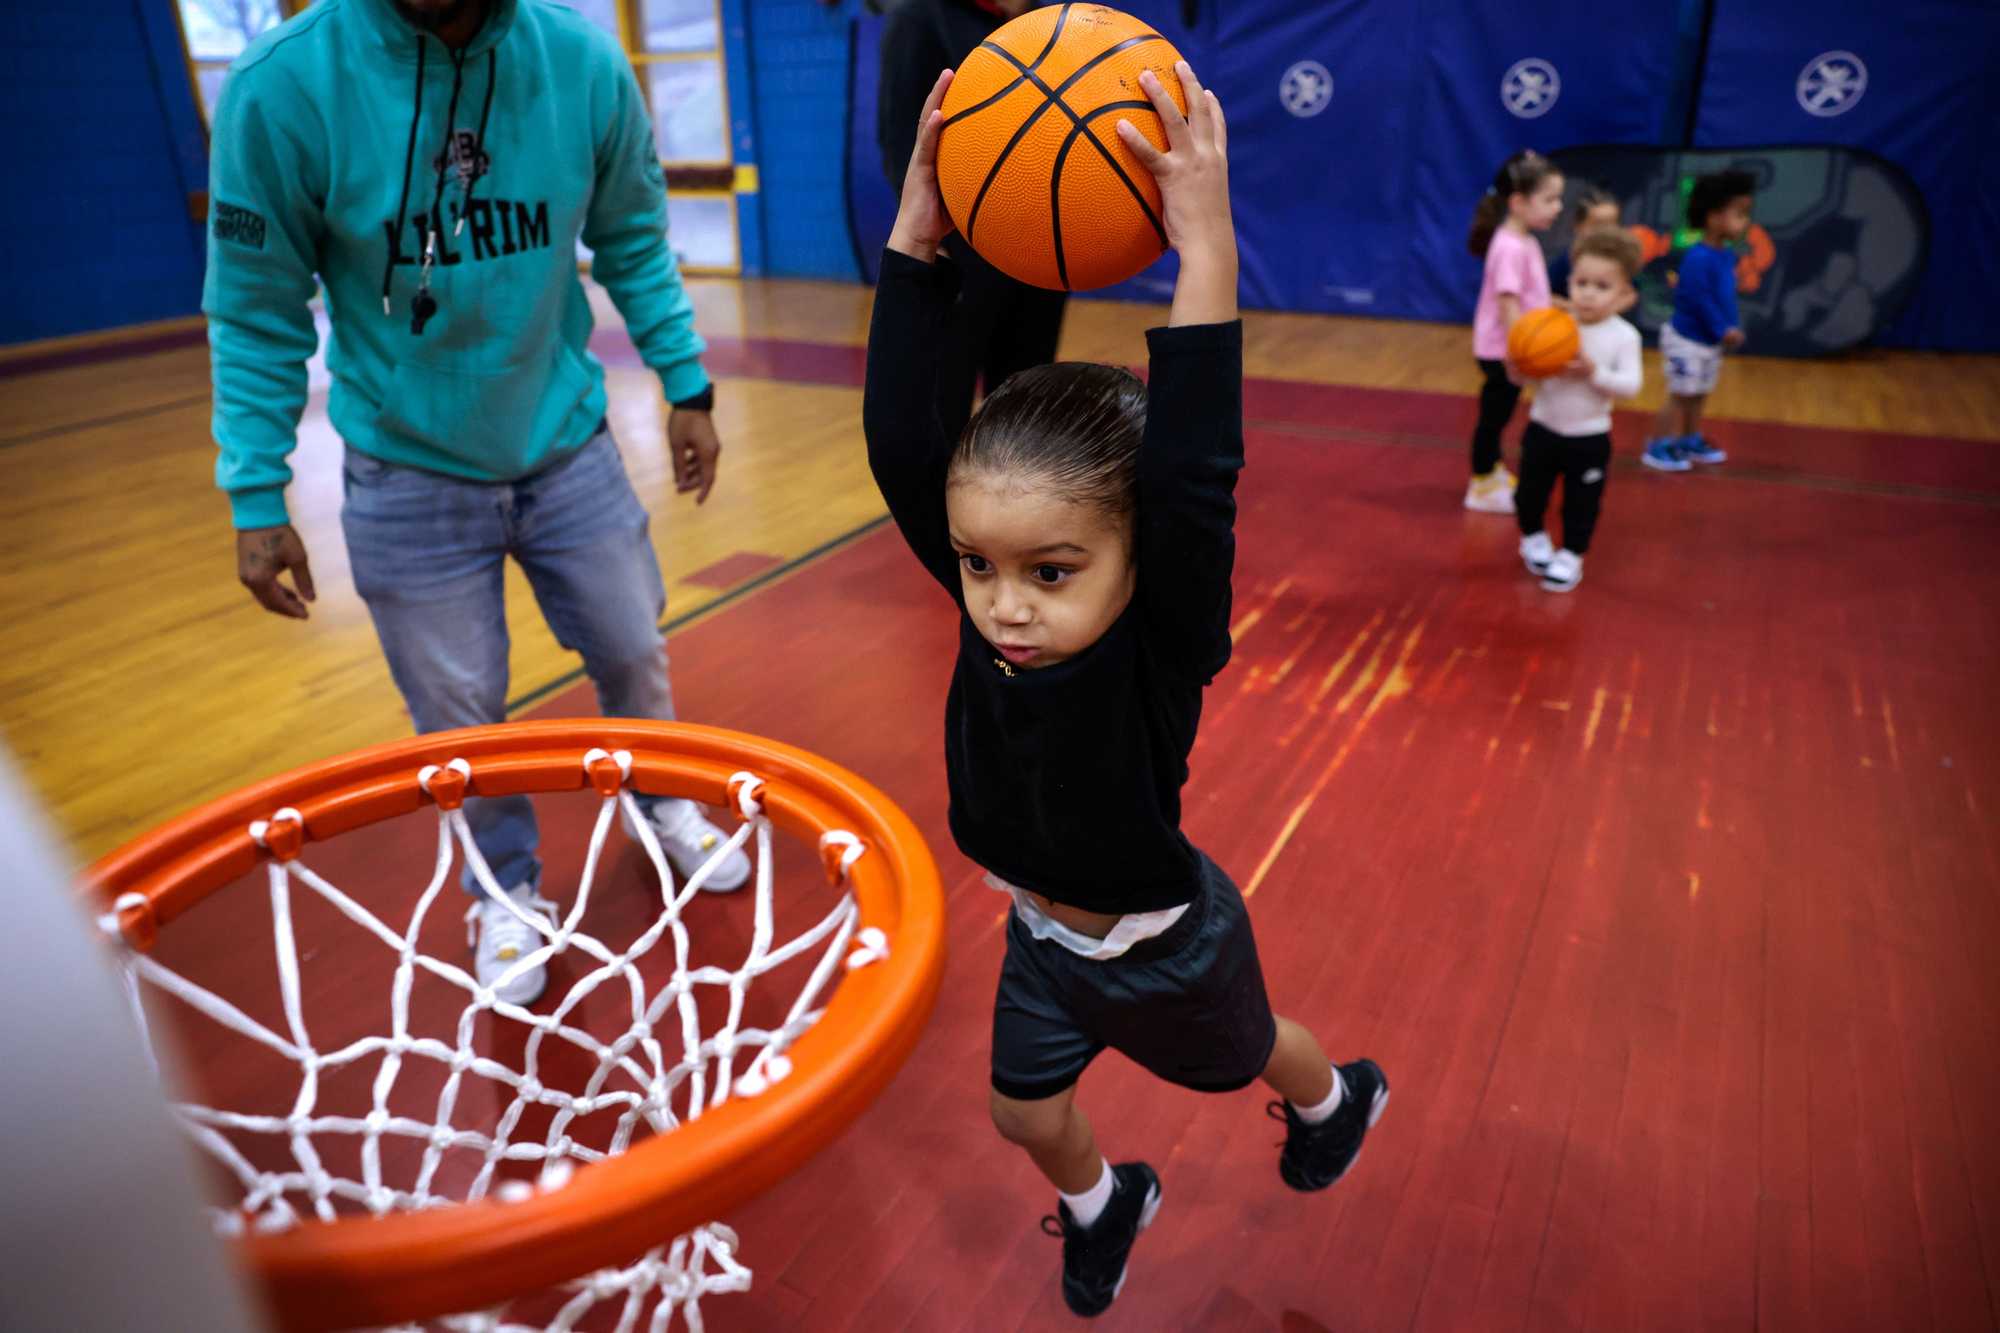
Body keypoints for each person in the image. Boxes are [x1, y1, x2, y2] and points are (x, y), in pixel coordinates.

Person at [865, 63, 1388, 1318]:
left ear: (1134, 558)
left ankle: (1336, 1097)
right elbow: (900, 440)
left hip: (1166, 950)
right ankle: (1110, 1199)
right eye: (978, 565)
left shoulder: (1159, 638)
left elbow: (1196, 463)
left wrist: (1202, 239)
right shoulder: (1002, 621)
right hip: (1042, 947)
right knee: (1020, 1110)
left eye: (1048, 570)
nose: (1002, 601)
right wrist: (915, 237)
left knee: (1254, 1056)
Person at [205, 0, 750, 1008]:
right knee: (460, 721)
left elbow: (631, 235)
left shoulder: (581, 61)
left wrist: (686, 382)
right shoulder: (281, 86)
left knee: (633, 648)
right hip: (402, 470)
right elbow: (254, 305)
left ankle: (659, 801)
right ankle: (503, 889)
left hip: (565, 444)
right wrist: (255, 485)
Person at [877, 0, 1067, 443]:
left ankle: (1018, 510)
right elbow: (899, 141)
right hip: (962, 251)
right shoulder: (919, 19)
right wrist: (932, 248)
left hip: (1040, 245)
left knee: (1025, 406)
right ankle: (947, 511)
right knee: (944, 406)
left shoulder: (1050, 24)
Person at [1515, 230, 1645, 593]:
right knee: (1528, 495)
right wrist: (1518, 361)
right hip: (1542, 428)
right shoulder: (1551, 325)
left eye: (1602, 286)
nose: (1588, 292)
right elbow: (1521, 376)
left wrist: (1594, 372)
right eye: (1581, 282)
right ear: (1569, 282)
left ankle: (1572, 553)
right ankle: (1533, 536)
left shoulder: (1624, 337)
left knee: (1581, 503)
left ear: (1624, 297)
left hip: (1588, 437)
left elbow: (1631, 387)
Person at [1464, 150, 1565, 514]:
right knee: (1494, 417)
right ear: (1519, 202)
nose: (1557, 208)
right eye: (1550, 199)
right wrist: (1518, 351)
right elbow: (1508, 305)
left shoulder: (1525, 241)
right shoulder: (1508, 246)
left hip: (1512, 347)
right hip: (1501, 350)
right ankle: (1481, 483)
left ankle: (1491, 471)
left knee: (1501, 414)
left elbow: (1531, 296)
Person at [1644, 169, 1756, 472]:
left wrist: (1731, 326)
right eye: (1740, 214)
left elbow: (1724, 296)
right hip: (1687, 339)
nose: (1745, 221)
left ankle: (1688, 438)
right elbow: (1698, 299)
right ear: (1714, 217)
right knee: (1680, 393)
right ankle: (1657, 444)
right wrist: (1723, 328)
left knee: (1699, 392)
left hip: (1709, 342)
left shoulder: (1726, 255)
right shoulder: (1698, 257)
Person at [1548, 184, 1620, 300]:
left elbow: (1631, 294)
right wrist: (1575, 309)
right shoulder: (1567, 260)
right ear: (1578, 226)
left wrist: (1607, 309)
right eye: (1598, 225)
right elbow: (1547, 296)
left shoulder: (1621, 261)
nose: (1605, 232)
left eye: (1612, 225)